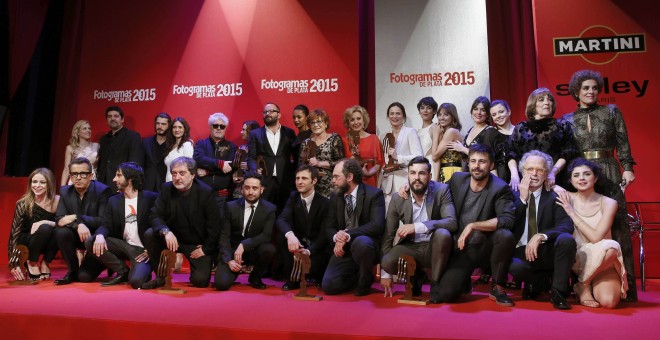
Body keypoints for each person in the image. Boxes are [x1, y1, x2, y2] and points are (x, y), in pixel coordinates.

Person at [562, 69, 637, 302]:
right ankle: (579, 281)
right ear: (576, 91)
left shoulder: (612, 111)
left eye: (594, 88)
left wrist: (627, 166)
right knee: (575, 222)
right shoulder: (566, 120)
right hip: (580, 171)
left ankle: (624, 282)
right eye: (585, 88)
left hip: (609, 168)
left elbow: (623, 141)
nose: (591, 92)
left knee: (617, 224)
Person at [432, 144, 516, 306]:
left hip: (485, 248)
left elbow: (507, 220)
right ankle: (464, 281)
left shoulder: (500, 188)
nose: (476, 166)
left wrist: (473, 225)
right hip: (462, 249)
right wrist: (409, 187)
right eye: (473, 161)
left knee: (505, 235)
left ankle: (498, 286)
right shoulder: (457, 180)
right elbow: (436, 192)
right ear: (468, 163)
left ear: (491, 165)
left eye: (482, 162)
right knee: (447, 294)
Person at [557, 158, 628, 308]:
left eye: (586, 174)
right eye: (576, 175)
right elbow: (545, 181)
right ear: (570, 180)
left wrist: (571, 212)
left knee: (609, 302)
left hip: (603, 260)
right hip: (577, 258)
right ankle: (584, 282)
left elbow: (596, 237)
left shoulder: (609, 203)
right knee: (611, 247)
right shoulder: (566, 196)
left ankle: (582, 283)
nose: (581, 178)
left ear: (595, 178)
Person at [380, 156, 456, 297]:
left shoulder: (442, 190)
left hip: (435, 247)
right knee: (388, 261)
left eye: (421, 173)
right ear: (408, 175)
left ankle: (436, 282)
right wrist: (386, 273)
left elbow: (451, 222)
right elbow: (388, 234)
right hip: (412, 247)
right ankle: (417, 274)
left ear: (429, 176)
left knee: (443, 234)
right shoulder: (399, 197)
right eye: (413, 173)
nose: (416, 177)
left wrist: (417, 226)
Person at [509, 151, 576, 310]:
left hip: (545, 250)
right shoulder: (510, 195)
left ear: (546, 174)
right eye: (529, 169)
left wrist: (542, 235)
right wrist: (522, 200)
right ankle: (538, 282)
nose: (534, 174)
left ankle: (558, 292)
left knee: (567, 239)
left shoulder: (555, 195)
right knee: (512, 265)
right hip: (520, 252)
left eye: (539, 170)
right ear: (522, 171)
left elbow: (566, 225)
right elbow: (507, 224)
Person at [142, 157, 220, 289]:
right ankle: (161, 276)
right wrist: (166, 232)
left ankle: (196, 272)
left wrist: (205, 248)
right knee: (150, 234)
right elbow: (155, 215)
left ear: (193, 175)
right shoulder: (166, 188)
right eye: (174, 173)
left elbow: (214, 225)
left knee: (200, 281)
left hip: (195, 244)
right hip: (172, 239)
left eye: (182, 173)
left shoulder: (206, 192)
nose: (177, 177)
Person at [81, 162, 157, 288]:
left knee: (136, 282)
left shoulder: (151, 198)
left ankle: (140, 273)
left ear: (130, 179)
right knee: (91, 240)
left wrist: (152, 250)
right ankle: (122, 270)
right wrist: (100, 235)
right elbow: (106, 224)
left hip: (143, 251)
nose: (114, 179)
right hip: (123, 245)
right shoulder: (114, 200)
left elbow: (157, 224)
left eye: (118, 175)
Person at [322, 158, 386, 296]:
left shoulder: (374, 194)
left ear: (350, 177)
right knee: (329, 286)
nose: (332, 180)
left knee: (362, 242)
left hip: (366, 246)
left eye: (336, 177)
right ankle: (356, 276)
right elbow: (329, 227)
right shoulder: (335, 196)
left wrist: (347, 234)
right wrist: (336, 236)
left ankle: (365, 281)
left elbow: (377, 225)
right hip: (343, 248)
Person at [214, 172, 277, 291]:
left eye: (255, 188)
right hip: (233, 253)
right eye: (247, 188)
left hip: (254, 250)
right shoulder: (230, 207)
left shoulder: (270, 209)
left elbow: (266, 235)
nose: (251, 192)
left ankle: (255, 277)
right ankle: (232, 271)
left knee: (269, 249)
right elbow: (224, 235)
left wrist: (244, 244)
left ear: (261, 189)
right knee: (221, 284)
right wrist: (228, 260)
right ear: (242, 189)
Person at [53, 157, 111, 285]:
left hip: (96, 239)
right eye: (74, 174)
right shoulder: (65, 191)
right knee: (61, 232)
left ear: (91, 175)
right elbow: (59, 219)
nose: (78, 178)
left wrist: (77, 218)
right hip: (78, 236)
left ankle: (105, 264)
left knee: (84, 277)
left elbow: (103, 221)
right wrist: (78, 225)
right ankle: (72, 271)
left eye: (83, 174)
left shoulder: (102, 191)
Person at [507, 88, 577, 191]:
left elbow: (568, 152)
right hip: (528, 181)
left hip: (554, 180)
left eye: (550, 100)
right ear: (533, 104)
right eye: (541, 99)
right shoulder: (521, 127)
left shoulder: (562, 125)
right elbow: (511, 153)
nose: (547, 102)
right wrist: (514, 174)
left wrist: (552, 173)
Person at [276, 164, 331, 290]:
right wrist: (290, 236)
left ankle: (316, 275)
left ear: (314, 181)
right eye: (297, 178)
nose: (299, 182)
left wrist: (309, 251)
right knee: (282, 236)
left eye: (304, 178)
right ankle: (293, 279)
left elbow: (324, 235)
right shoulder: (293, 197)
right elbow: (281, 219)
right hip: (297, 246)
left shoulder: (325, 203)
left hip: (316, 249)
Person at [8, 168, 60, 281]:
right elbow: (14, 235)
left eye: (42, 182)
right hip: (27, 240)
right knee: (45, 229)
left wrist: (44, 221)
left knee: (59, 230)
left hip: (45, 240)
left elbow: (65, 223)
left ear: (49, 184)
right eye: (34, 181)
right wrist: (14, 262)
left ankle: (45, 262)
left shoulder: (57, 201)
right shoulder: (23, 203)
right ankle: (32, 263)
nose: (37, 185)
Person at [248, 102, 297, 213]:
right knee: (263, 213)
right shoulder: (255, 134)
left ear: (279, 115)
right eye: (265, 112)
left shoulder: (289, 133)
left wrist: (294, 175)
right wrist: (255, 169)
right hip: (264, 181)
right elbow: (251, 157)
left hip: (285, 181)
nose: (267, 114)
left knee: (285, 213)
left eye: (271, 111)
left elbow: (296, 156)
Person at [379, 102, 423, 207]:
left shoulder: (410, 132)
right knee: (388, 218)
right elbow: (381, 159)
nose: (394, 116)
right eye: (392, 113)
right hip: (386, 183)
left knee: (403, 218)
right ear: (388, 116)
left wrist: (398, 157)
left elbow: (418, 156)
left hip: (404, 180)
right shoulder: (383, 135)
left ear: (403, 116)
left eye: (398, 113)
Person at [193, 112, 237, 218]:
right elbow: (198, 159)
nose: (218, 128)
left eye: (222, 126)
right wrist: (220, 164)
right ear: (210, 127)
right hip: (202, 194)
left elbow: (232, 166)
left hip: (222, 196)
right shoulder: (201, 144)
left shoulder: (232, 147)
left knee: (221, 226)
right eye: (215, 125)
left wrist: (208, 171)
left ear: (225, 128)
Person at [298, 109, 345, 198]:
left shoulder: (334, 138)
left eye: (319, 122)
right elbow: (300, 166)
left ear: (326, 123)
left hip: (330, 188)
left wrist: (319, 163)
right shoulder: (306, 142)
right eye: (312, 123)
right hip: (311, 188)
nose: (316, 125)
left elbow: (341, 163)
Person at [98, 106, 143, 193]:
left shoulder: (132, 136)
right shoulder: (103, 139)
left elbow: (135, 163)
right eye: (109, 116)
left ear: (122, 119)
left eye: (116, 116)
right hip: (103, 185)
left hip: (122, 185)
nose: (112, 118)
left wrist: (127, 184)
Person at [448, 97, 500, 173]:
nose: (478, 113)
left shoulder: (490, 131)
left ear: (488, 114)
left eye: (483, 110)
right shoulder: (471, 129)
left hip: (482, 174)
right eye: (475, 109)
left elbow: (486, 157)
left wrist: (462, 149)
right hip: (468, 173)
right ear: (471, 111)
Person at [341, 105, 384, 188]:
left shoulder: (373, 139)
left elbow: (379, 163)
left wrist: (368, 173)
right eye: (352, 120)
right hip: (351, 183)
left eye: (358, 118)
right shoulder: (344, 141)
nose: (356, 122)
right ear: (348, 123)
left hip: (370, 182)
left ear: (364, 120)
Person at [431, 103, 463, 183]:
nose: (441, 118)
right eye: (439, 115)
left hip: (452, 172)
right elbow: (436, 160)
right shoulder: (444, 133)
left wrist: (435, 134)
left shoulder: (451, 131)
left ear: (453, 117)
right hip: (445, 171)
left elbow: (434, 156)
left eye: (446, 115)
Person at [61, 120, 100, 186]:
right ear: (78, 132)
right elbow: (66, 169)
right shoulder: (71, 148)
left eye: (89, 128)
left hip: (91, 181)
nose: (88, 130)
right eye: (84, 128)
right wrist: (63, 188)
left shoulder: (96, 146)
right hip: (76, 180)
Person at [142, 113, 171, 192]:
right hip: (147, 185)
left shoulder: (173, 144)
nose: (160, 127)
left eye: (163, 124)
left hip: (165, 184)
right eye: (158, 123)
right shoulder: (145, 143)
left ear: (169, 125)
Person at [232, 120, 260, 199]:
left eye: (244, 130)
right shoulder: (241, 148)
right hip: (240, 190)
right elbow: (235, 169)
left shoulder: (260, 150)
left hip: (254, 189)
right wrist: (235, 177)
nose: (241, 132)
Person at [489, 100, 514, 183]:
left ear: (509, 112)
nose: (498, 116)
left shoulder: (520, 131)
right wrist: (498, 184)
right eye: (494, 114)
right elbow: (490, 162)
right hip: (500, 178)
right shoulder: (491, 134)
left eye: (501, 112)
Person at [164, 117, 194, 182]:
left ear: (184, 129)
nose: (177, 130)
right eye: (174, 127)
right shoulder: (170, 145)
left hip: (180, 183)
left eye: (180, 127)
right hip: (168, 182)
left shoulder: (187, 145)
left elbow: (189, 167)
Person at [416, 97, 439, 179]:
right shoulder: (417, 132)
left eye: (429, 108)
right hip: (418, 168)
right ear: (419, 111)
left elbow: (436, 156)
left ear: (434, 111)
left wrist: (436, 180)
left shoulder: (435, 127)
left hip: (431, 167)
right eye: (422, 108)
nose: (425, 111)